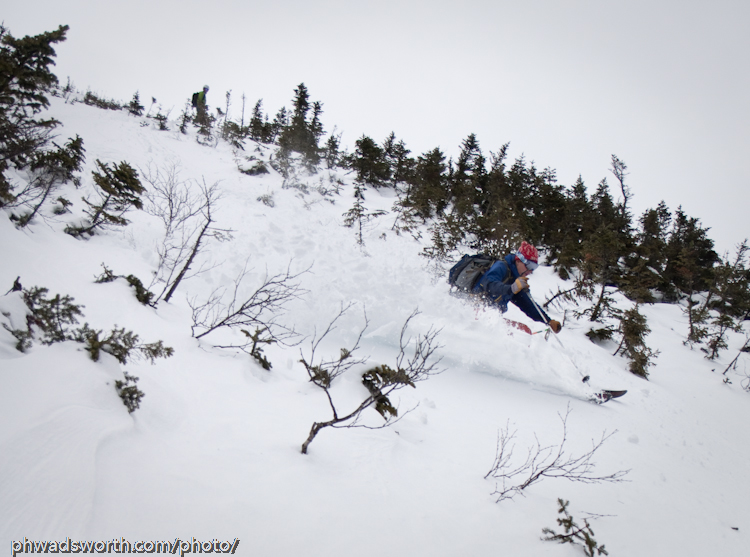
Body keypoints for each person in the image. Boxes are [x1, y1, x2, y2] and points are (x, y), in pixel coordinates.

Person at [472, 241, 562, 333]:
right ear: (519, 260)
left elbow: (528, 305)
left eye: (534, 267)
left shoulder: (515, 280)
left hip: (490, 317)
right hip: (473, 311)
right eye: (529, 265)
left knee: (524, 331)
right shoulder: (501, 267)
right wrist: (511, 288)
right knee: (521, 332)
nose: (530, 271)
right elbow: (489, 284)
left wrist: (548, 321)